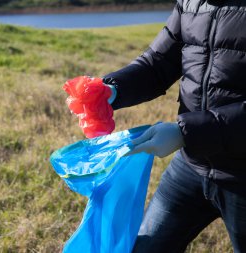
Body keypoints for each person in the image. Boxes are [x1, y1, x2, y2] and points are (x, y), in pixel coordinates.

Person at [102, 0, 246, 252]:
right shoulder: (190, 3)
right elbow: (157, 64)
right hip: (191, 165)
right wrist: (112, 90)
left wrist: (184, 133)